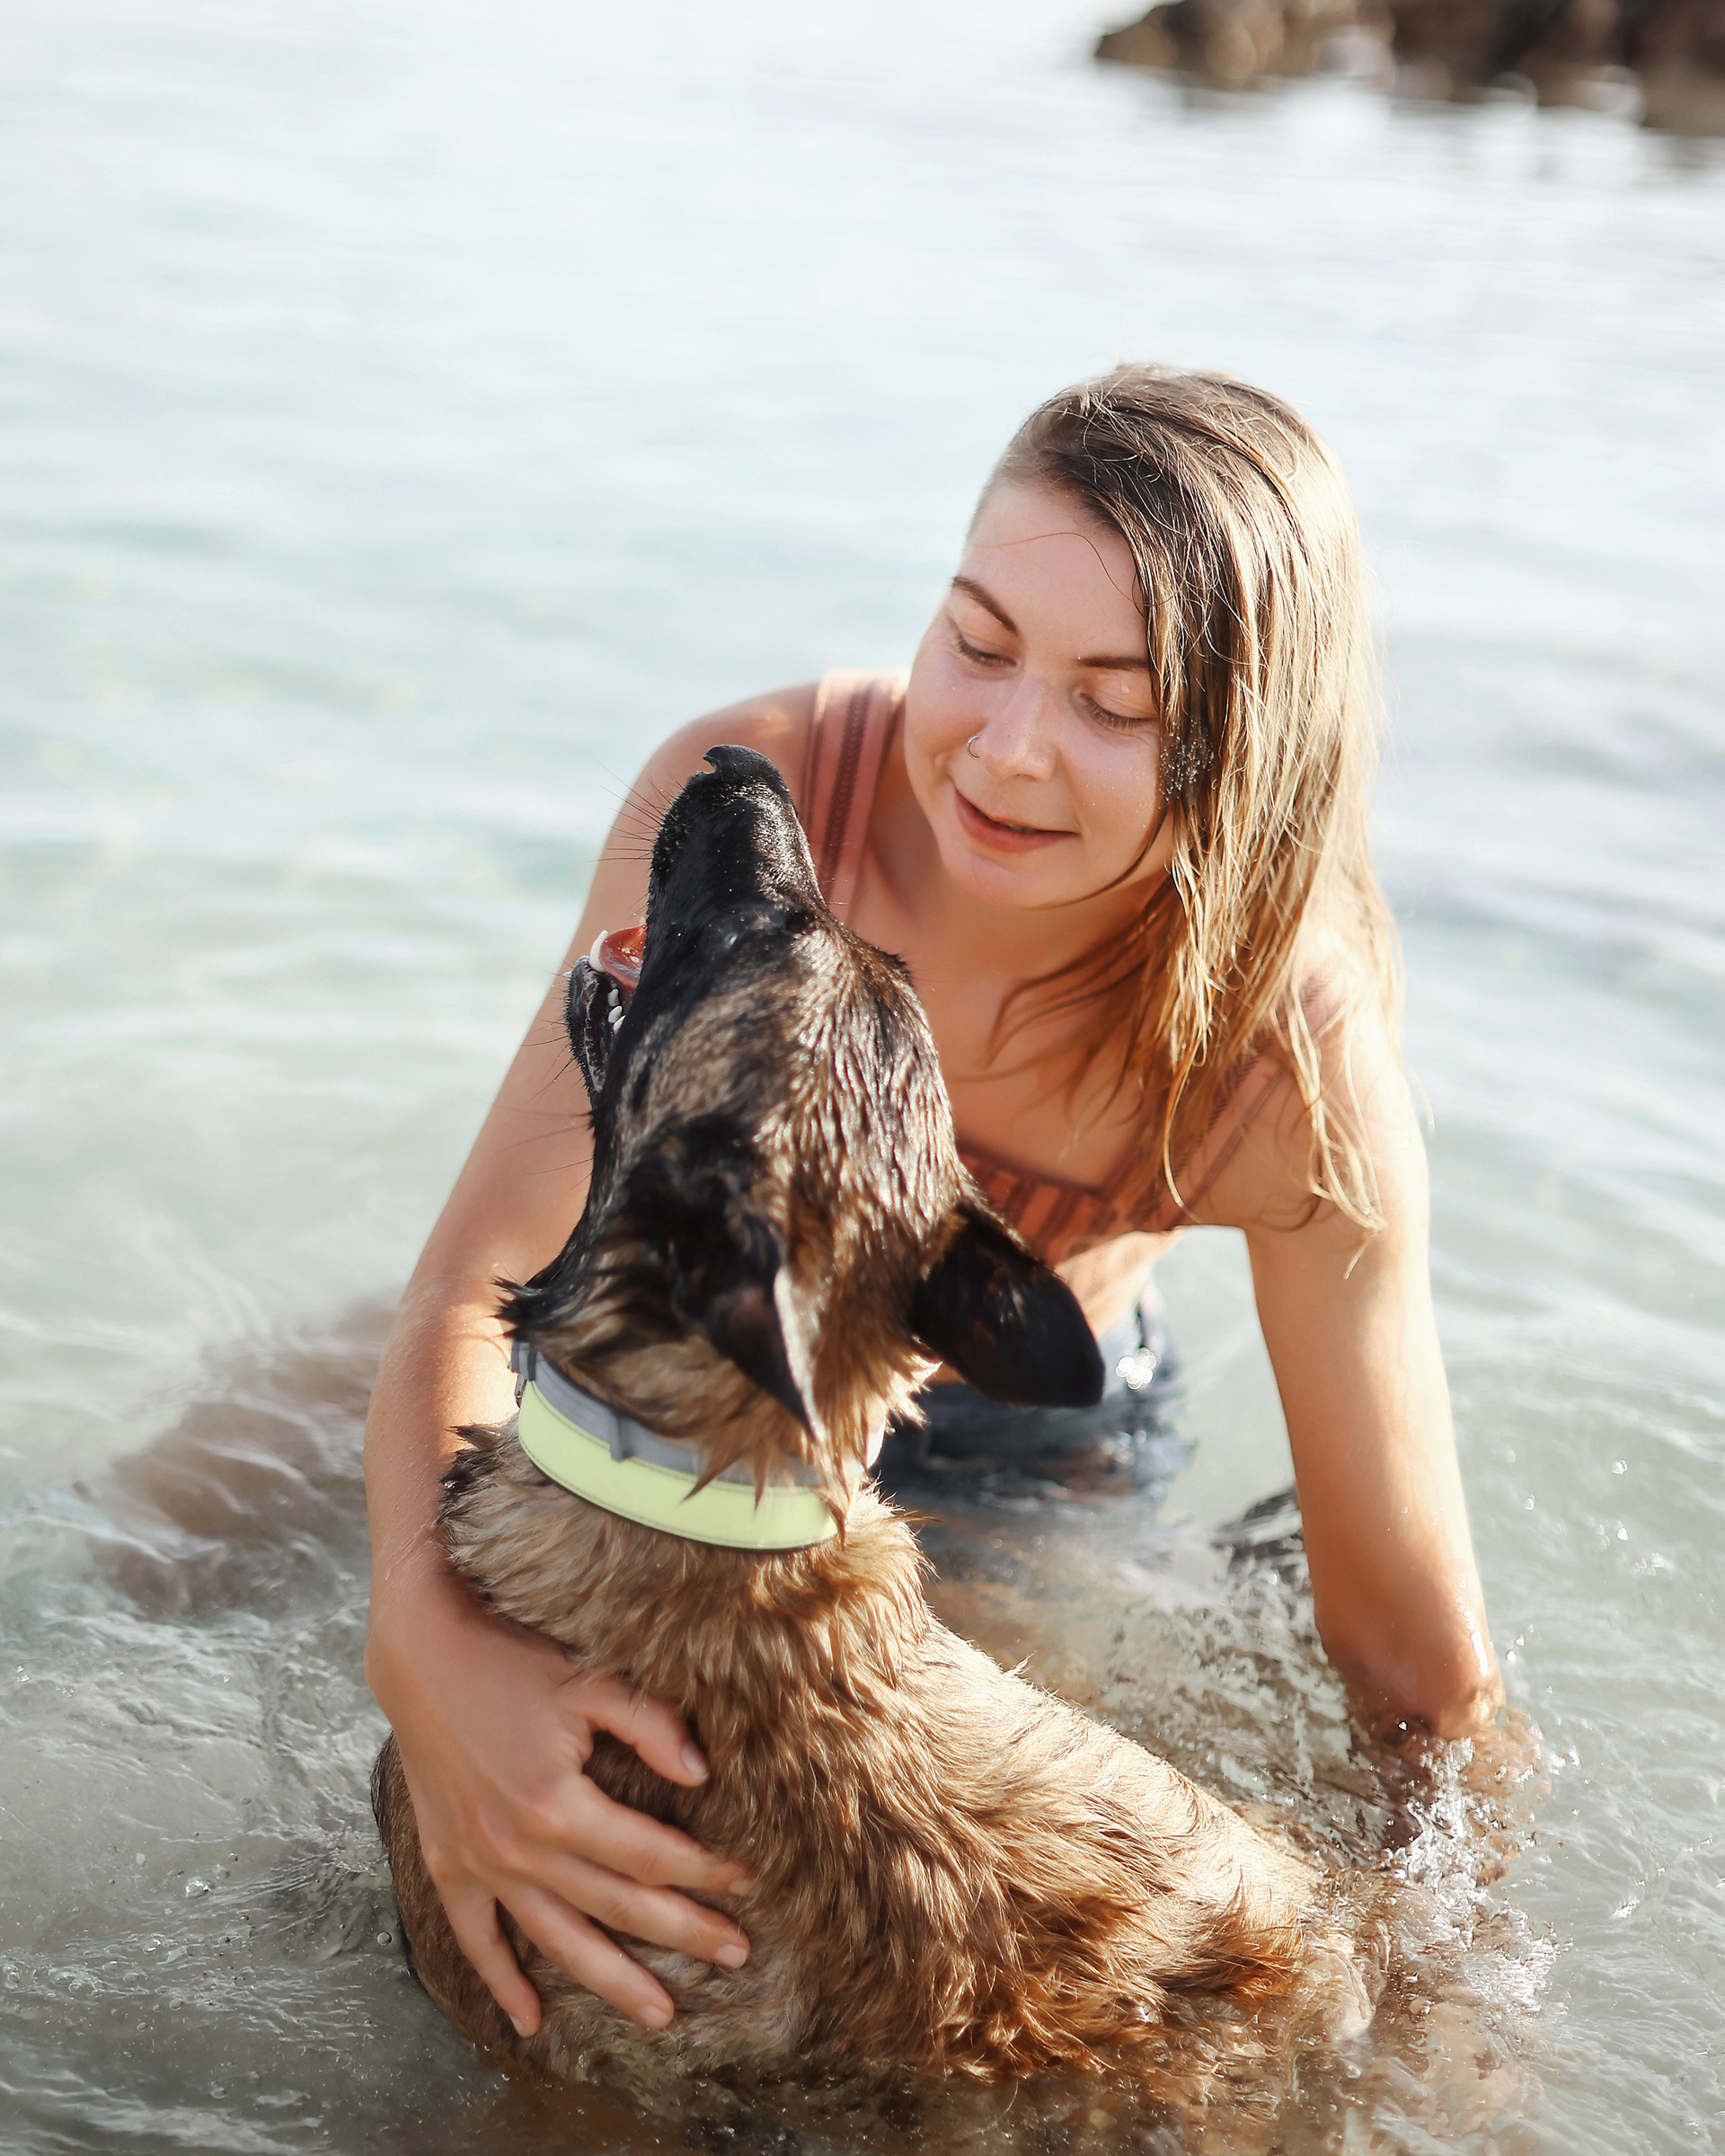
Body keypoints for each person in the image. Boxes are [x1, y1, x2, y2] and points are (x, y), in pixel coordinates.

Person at [362, 366, 1506, 2044]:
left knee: (874, 1892)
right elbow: (483, 1282)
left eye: (1115, 705)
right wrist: (421, 1642)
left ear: (1243, 754)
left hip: (1016, 1445)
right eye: (977, 641)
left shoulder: (1286, 1069)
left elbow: (1414, 1661)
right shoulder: (767, 788)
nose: (1008, 748)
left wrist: (1452, 2019)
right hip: (649, 1352)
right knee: (192, 1518)